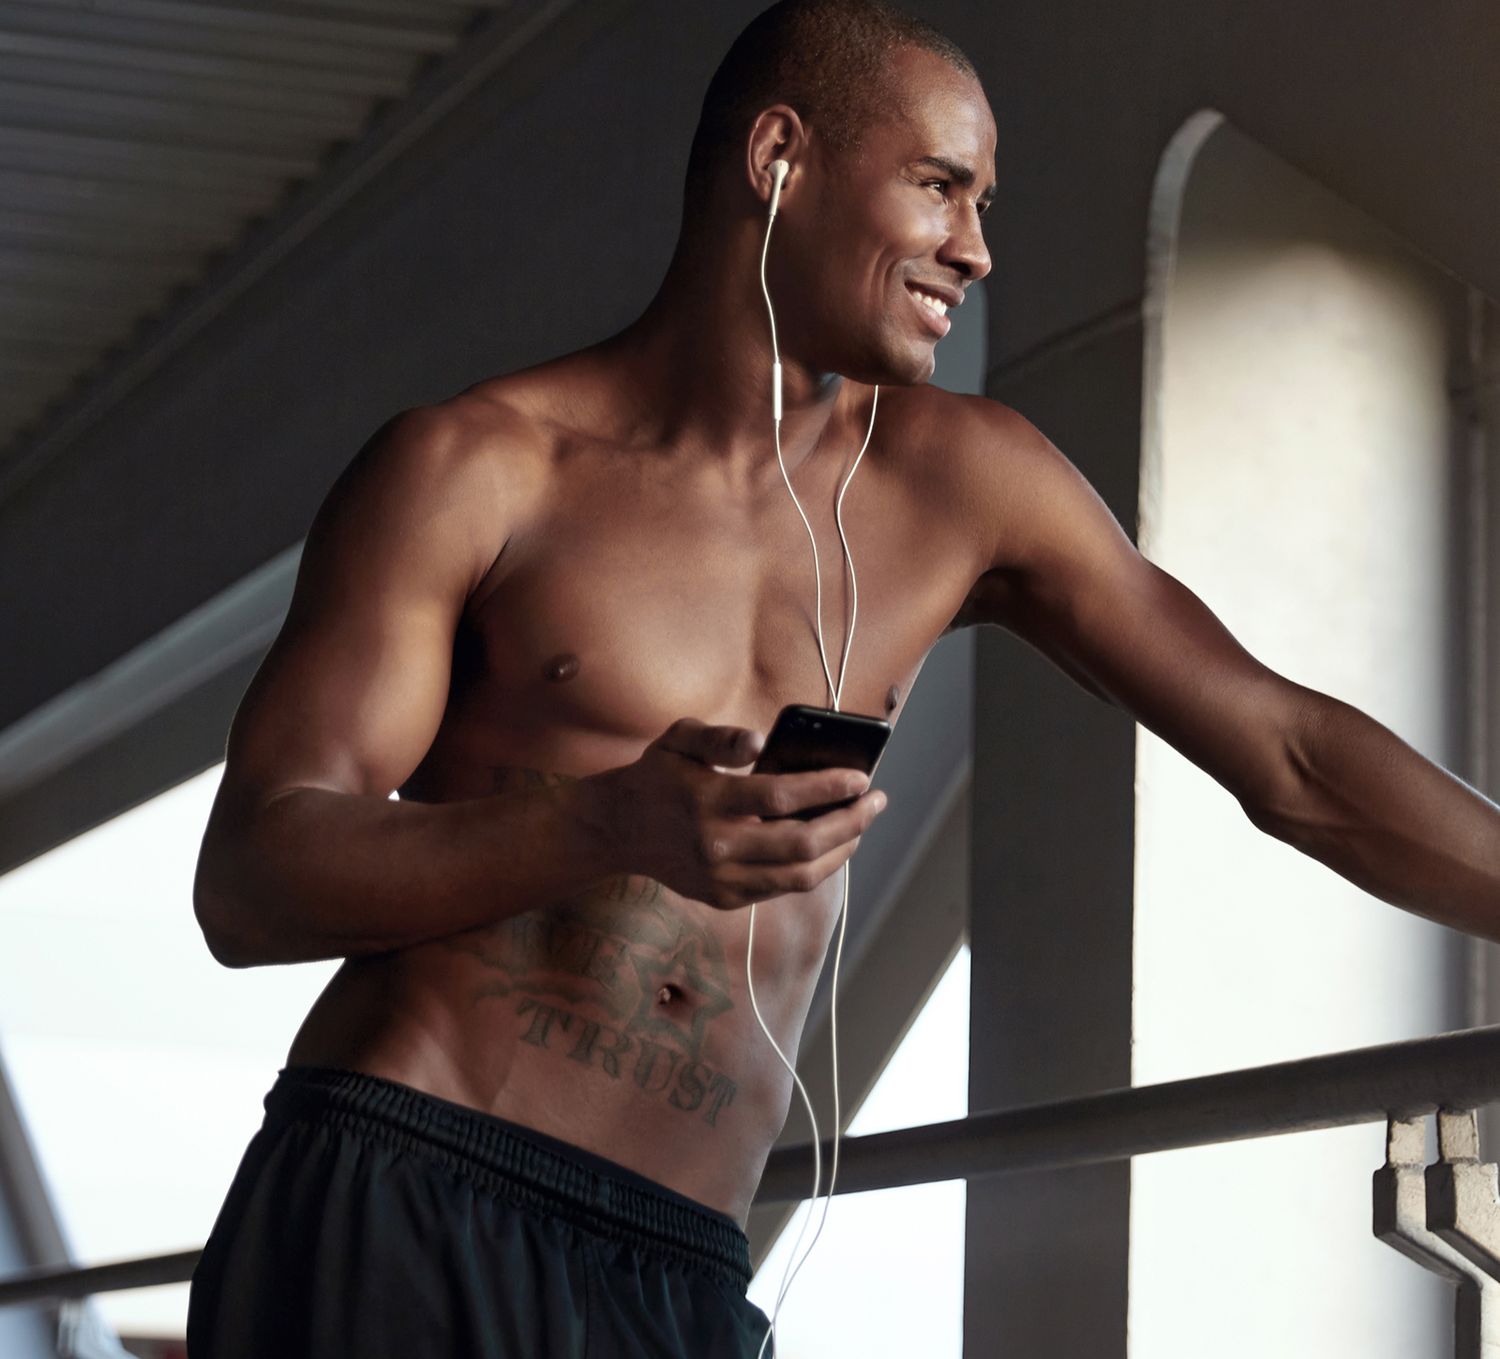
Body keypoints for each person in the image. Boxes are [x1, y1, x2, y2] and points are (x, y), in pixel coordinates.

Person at [184, 0, 1500, 1355]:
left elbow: (1290, 754)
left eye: (982, 203)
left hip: (682, 1263)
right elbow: (251, 878)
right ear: (779, 158)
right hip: (405, 1187)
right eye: (939, 186)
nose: (975, 248)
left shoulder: (965, 483)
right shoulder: (478, 469)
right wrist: (605, 823)